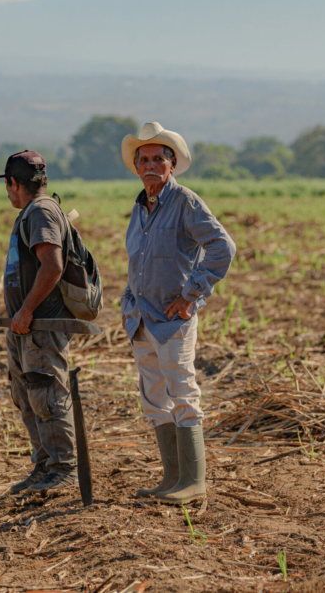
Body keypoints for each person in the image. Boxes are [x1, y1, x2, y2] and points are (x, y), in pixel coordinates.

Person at [119, 122, 235, 504]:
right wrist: (128, 302)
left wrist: (190, 296)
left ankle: (193, 481)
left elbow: (223, 247)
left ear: (172, 165)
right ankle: (172, 479)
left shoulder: (185, 202)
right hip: (142, 319)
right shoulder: (140, 207)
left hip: (173, 319)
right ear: (137, 166)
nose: (151, 166)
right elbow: (137, 261)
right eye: (144, 160)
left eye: (159, 159)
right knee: (155, 399)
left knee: (183, 393)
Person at [0, 151, 79, 494]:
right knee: (28, 396)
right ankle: (44, 467)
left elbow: (53, 265)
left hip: (40, 325)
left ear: (13, 183)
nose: (7, 192)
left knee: (47, 396)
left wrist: (27, 310)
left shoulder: (41, 211)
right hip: (25, 327)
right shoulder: (33, 212)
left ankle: (63, 469)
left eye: (7, 186)